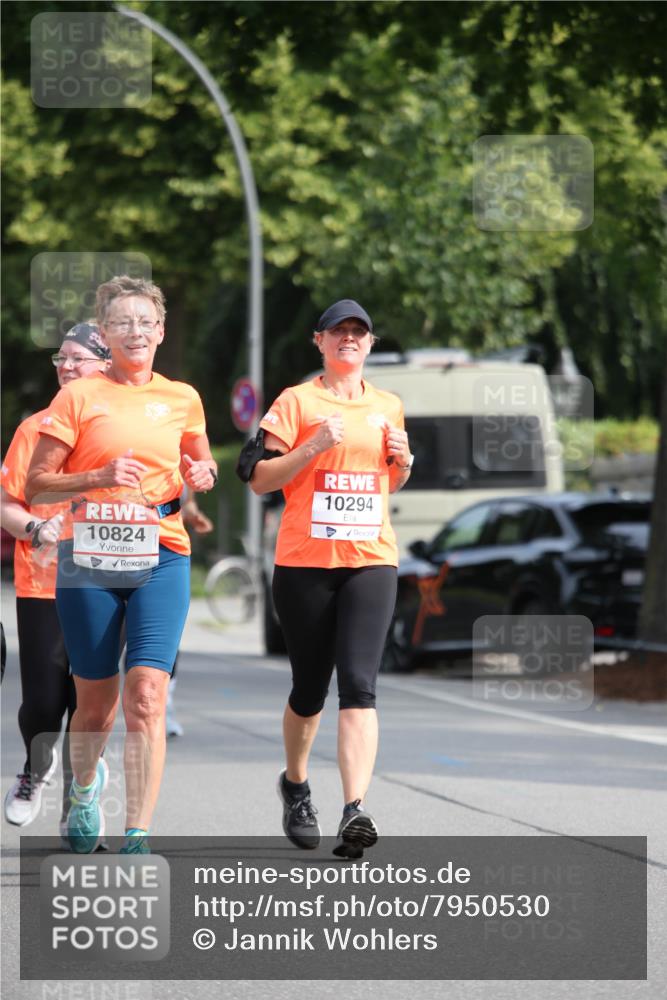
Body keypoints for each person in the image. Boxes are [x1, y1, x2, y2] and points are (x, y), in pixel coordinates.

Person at [26, 275, 217, 854]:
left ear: (161, 332)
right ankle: (85, 789)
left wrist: (203, 473)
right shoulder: (78, 397)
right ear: (106, 334)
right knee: (95, 707)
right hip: (88, 559)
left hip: (163, 554)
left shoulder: (183, 397)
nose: (136, 331)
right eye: (123, 322)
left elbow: (201, 462)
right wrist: (98, 476)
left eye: (145, 322)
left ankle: (138, 833)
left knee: (148, 695)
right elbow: (37, 484)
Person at [240, 299, 412, 858]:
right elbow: (260, 480)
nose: (349, 338)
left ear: (370, 342)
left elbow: (388, 482)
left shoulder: (388, 405)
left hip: (371, 560)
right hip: (305, 564)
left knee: (360, 686)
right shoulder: (296, 401)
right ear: (320, 341)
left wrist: (405, 462)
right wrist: (313, 444)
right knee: (310, 689)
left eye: (359, 331)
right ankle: (295, 784)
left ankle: (354, 809)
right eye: (339, 331)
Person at [1, 323, 110, 838]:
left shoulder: (119, 430)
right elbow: (7, 505)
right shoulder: (34, 429)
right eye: (60, 358)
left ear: (105, 366)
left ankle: (79, 804)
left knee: (91, 704)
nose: (66, 366)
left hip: (106, 585)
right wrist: (35, 527)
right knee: (45, 703)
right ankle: (34, 767)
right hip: (43, 584)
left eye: (78, 358)